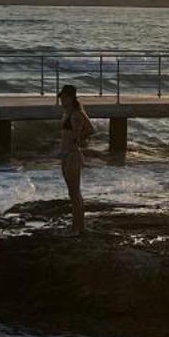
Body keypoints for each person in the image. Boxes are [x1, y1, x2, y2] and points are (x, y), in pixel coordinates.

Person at [57, 84, 94, 236]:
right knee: (72, 193)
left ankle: (78, 227)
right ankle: (77, 226)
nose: (61, 100)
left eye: (64, 97)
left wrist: (79, 138)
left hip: (73, 155)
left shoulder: (77, 113)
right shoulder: (67, 112)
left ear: (71, 97)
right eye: (61, 97)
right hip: (65, 155)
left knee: (75, 192)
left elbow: (91, 129)